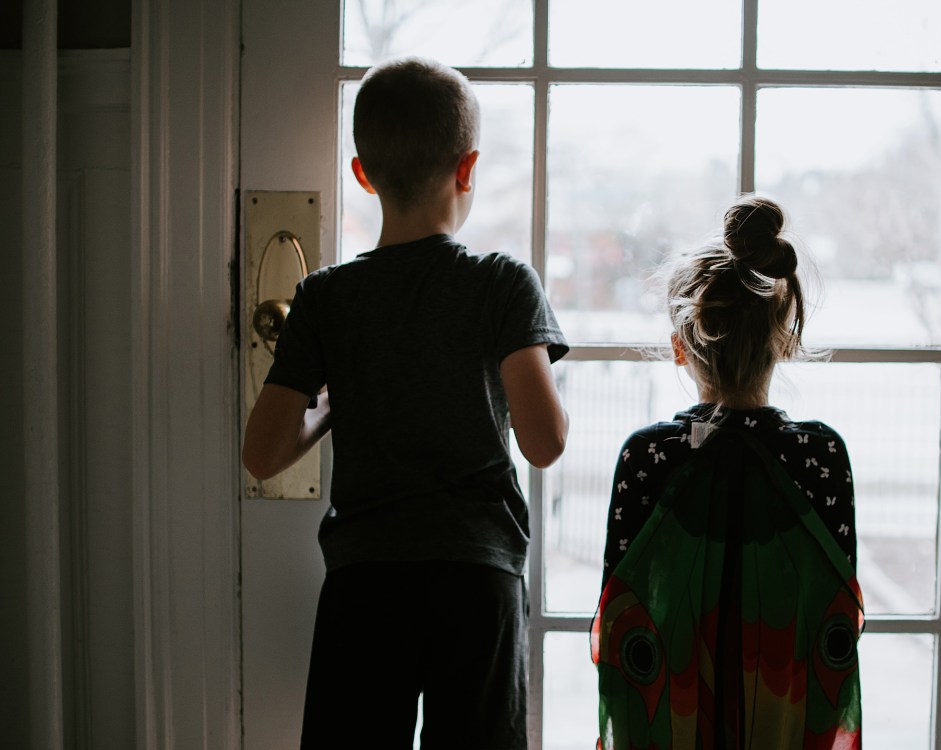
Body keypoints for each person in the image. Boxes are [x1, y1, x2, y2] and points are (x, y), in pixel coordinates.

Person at [241, 57, 569, 749]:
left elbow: (263, 453)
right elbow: (545, 443)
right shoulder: (503, 283)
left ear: (362, 174)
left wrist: (334, 403)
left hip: (368, 581)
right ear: (468, 167)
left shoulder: (327, 296)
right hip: (476, 578)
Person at [593, 195, 861, 748]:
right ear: (784, 339)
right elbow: (834, 619)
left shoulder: (648, 458)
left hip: (674, 719)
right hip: (783, 721)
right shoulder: (821, 457)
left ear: (679, 349)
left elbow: (620, 619)